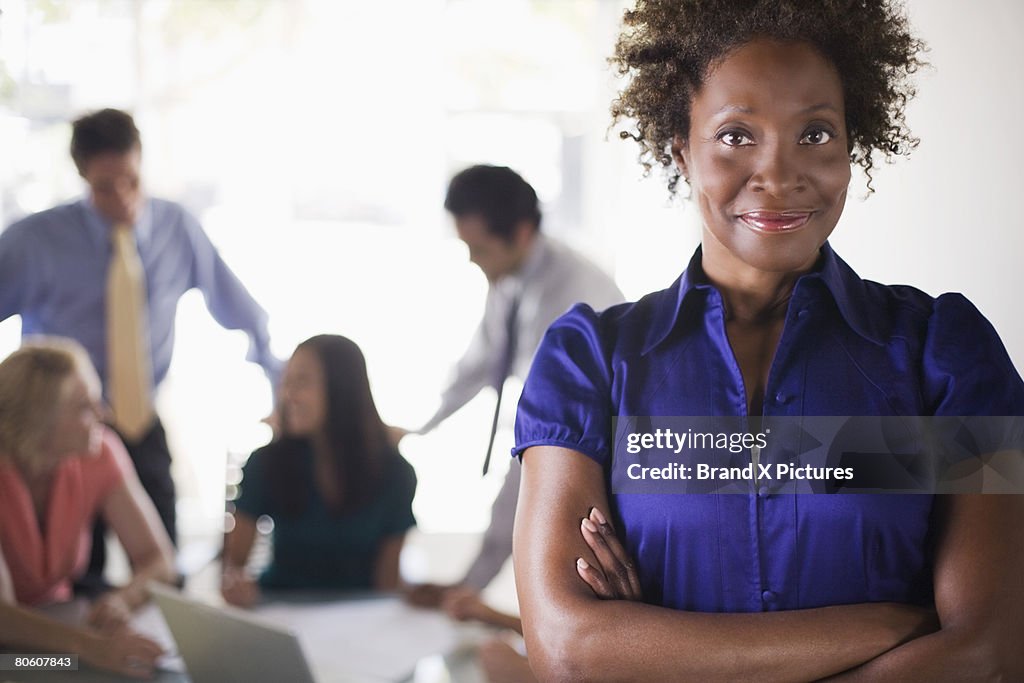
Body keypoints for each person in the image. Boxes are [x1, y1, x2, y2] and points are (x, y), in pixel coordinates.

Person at [512, 1, 1024, 681]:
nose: (779, 175)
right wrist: (895, 622)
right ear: (681, 148)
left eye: (815, 133)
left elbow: (987, 654)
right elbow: (570, 652)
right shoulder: (589, 361)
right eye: (735, 134)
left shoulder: (949, 355)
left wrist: (651, 649)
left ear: (853, 145)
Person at [0, 108, 282, 585]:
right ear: (83, 177)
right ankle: (56, 666)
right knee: (69, 581)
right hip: (62, 435)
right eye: (104, 187)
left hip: (141, 422)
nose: (123, 198)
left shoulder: (177, 229)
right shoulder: (35, 241)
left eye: (131, 180)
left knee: (163, 576)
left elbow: (243, 311)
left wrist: (280, 392)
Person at [398, 165, 624, 606]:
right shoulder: (509, 277)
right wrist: (419, 427)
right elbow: (480, 362)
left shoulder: (577, 301)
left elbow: (542, 448)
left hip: (599, 455)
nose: (470, 258)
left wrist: (467, 589)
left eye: (477, 247)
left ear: (520, 234)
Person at [0, 339, 176, 679]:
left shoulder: (99, 451)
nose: (104, 414)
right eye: (85, 406)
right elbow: (3, 619)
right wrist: (88, 647)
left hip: (61, 625)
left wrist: (122, 600)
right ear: (37, 421)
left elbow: (159, 560)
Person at [221, 334, 417, 604]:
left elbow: (386, 585)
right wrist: (237, 587)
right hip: (280, 609)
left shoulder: (396, 473)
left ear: (342, 387)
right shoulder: (267, 462)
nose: (288, 395)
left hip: (360, 617)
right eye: (286, 382)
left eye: (301, 382)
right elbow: (233, 566)